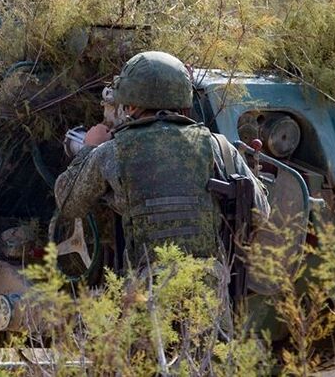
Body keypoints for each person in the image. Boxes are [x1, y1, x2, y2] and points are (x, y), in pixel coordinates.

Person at [54, 51, 269, 267]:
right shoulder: (219, 147)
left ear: (131, 106)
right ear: (184, 100)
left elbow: (68, 203)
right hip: (208, 288)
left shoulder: (113, 151)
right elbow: (260, 212)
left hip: (147, 289)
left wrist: (89, 148)